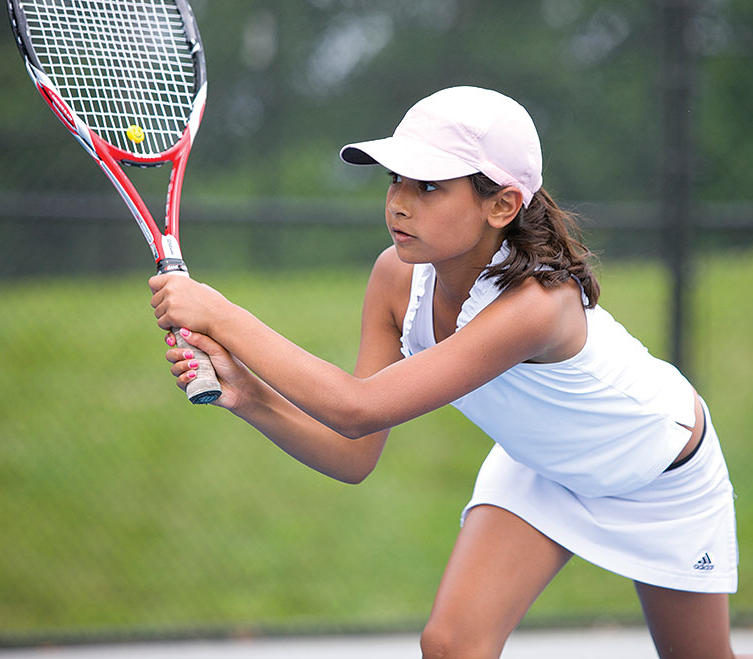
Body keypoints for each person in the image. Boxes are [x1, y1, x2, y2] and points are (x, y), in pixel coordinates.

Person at [149, 86, 745, 659]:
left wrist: (220, 314)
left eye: (429, 185)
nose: (399, 202)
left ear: (503, 204)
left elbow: (358, 409)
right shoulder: (396, 276)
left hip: (661, 475)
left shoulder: (538, 305)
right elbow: (352, 454)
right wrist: (247, 394)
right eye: (395, 180)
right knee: (451, 647)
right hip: (541, 463)